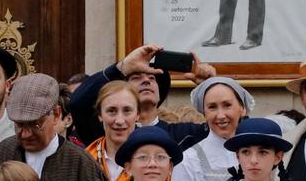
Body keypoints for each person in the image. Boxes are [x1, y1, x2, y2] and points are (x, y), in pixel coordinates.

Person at [66, 45, 211, 150]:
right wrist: (122, 67)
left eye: (152, 78)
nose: (146, 80)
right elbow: (77, 103)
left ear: (159, 93)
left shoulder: (183, 134)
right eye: (136, 77)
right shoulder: (111, 130)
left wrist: (210, 85)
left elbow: (224, 128)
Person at [172, 75, 253, 181]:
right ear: (204, 112)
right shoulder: (189, 160)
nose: (220, 115)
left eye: (227, 105)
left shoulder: (258, 153)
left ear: (242, 108)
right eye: (212, 107)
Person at [83, 80, 141, 181]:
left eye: (127, 111)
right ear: (100, 115)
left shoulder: (152, 160)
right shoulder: (86, 159)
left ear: (138, 114)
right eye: (111, 111)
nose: (119, 120)